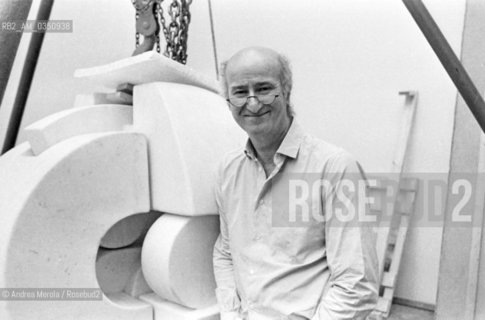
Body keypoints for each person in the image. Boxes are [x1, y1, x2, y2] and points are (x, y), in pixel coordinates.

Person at [213, 46, 378, 320]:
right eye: (240, 92)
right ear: (228, 99)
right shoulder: (227, 171)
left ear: (286, 91)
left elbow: (356, 285)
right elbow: (225, 252)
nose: (252, 103)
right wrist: (230, 313)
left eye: (264, 89)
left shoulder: (334, 167)